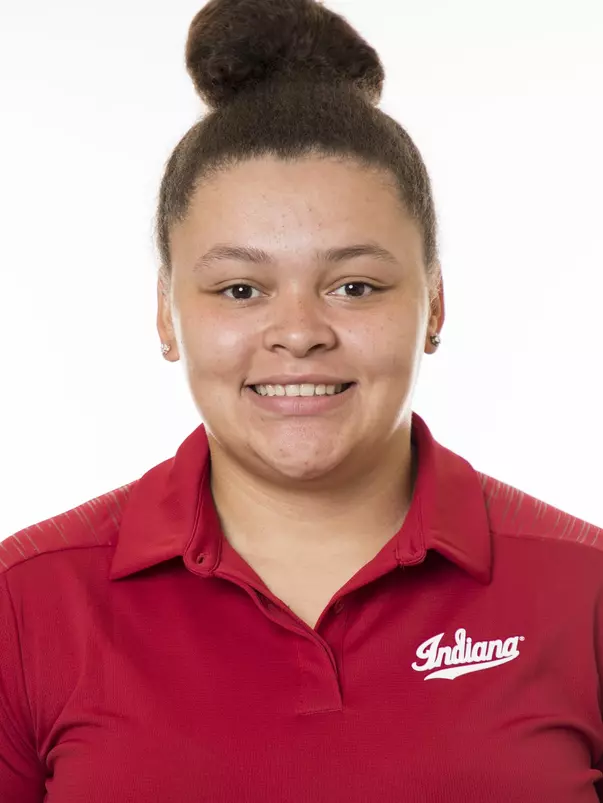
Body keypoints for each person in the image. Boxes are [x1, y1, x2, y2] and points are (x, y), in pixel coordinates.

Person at [1, 0, 602, 800]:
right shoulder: (26, 602)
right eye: (240, 287)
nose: (298, 332)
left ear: (432, 305)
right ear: (165, 312)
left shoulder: (583, 592)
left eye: (354, 285)